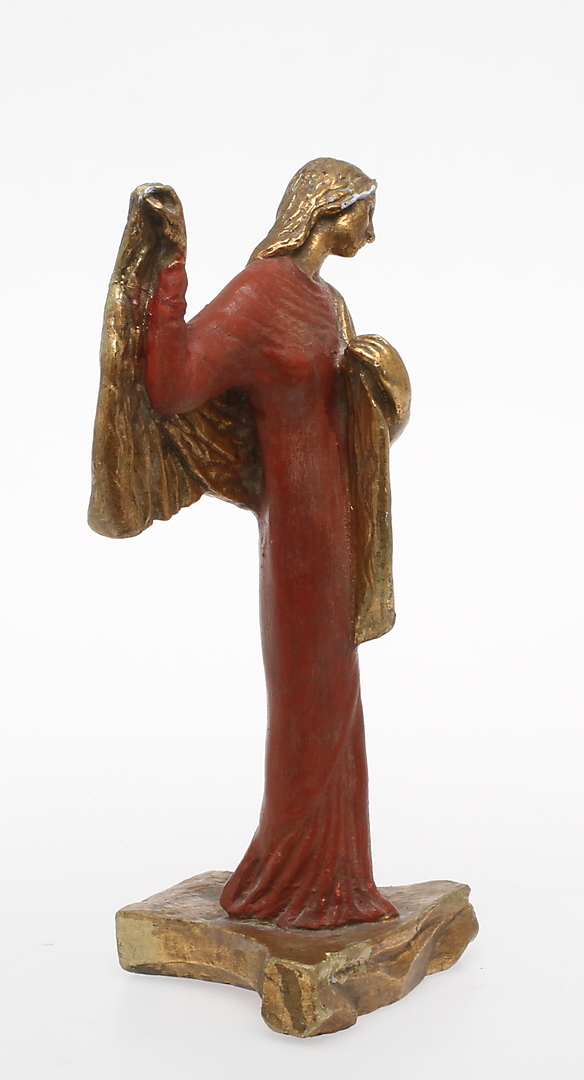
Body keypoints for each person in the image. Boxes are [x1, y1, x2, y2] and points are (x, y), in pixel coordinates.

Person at [89, 158, 411, 930]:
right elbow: (173, 382)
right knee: (310, 697)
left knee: (336, 697)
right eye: (365, 213)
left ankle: (335, 880)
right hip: (296, 528)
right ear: (326, 210)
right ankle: (293, 887)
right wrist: (170, 273)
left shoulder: (326, 301)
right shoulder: (262, 294)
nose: (372, 231)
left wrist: (385, 390)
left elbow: (345, 410)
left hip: (336, 518)